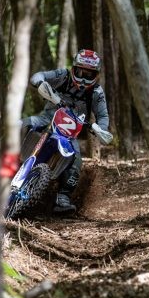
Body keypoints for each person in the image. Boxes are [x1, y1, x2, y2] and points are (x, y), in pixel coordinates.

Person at [22, 49, 112, 212]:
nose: (83, 78)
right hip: (47, 118)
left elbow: (103, 115)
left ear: (96, 75)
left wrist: (101, 128)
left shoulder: (96, 92)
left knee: (75, 160)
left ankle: (63, 197)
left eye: (89, 75)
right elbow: (37, 76)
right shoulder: (63, 76)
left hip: (69, 131)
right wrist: (41, 84)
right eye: (80, 72)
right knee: (19, 125)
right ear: (74, 69)